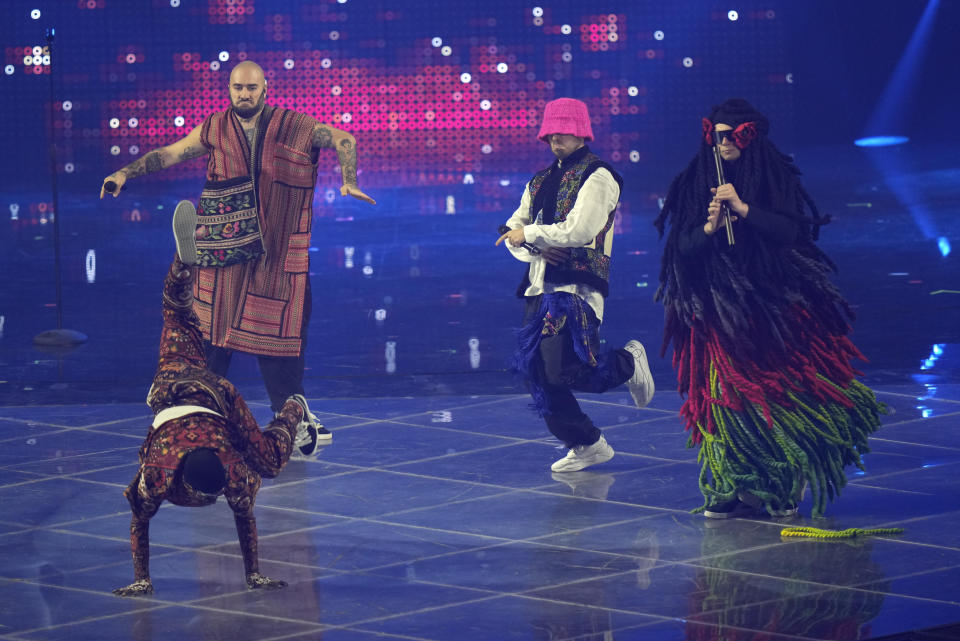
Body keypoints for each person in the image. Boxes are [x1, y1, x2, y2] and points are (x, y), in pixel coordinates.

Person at [101, 60, 376, 441]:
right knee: (212, 334)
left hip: (278, 252)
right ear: (228, 88)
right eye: (237, 87)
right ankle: (195, 414)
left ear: (266, 88)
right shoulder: (215, 128)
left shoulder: (293, 125)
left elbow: (345, 139)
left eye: (251, 88)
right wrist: (124, 174)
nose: (243, 94)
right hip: (224, 248)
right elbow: (169, 154)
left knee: (282, 337)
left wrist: (349, 180)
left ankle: (291, 419)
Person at [654, 98, 885, 519]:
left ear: (748, 137)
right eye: (716, 136)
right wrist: (709, 228)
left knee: (776, 396)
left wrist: (744, 210)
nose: (721, 143)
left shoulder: (773, 177)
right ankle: (730, 480)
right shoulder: (697, 181)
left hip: (774, 307)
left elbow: (791, 231)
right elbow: (681, 249)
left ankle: (779, 482)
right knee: (723, 397)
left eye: (729, 136)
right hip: (717, 308)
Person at [113, 205, 320, 597]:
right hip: (183, 387)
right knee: (176, 318)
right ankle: (294, 407)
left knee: (178, 320)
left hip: (202, 394)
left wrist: (142, 579)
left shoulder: (165, 474)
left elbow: (141, 521)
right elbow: (242, 518)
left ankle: (183, 264)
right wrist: (252, 573)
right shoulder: (206, 471)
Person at [497, 98, 655, 473]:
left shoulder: (598, 175)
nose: (556, 138)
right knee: (537, 374)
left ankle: (628, 363)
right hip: (539, 289)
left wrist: (530, 235)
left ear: (581, 130)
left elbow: (580, 230)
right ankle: (586, 442)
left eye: (563, 130)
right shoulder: (538, 180)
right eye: (551, 132)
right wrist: (532, 244)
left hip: (575, 290)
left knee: (566, 369)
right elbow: (510, 231)